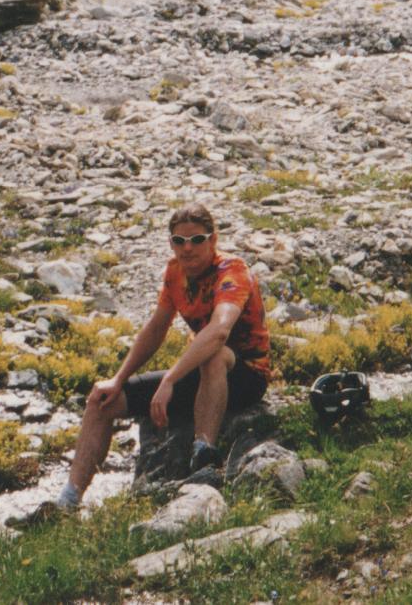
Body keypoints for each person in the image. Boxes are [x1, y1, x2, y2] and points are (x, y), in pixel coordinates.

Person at [47, 203, 270, 513]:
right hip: (202, 375)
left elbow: (219, 331)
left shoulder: (232, 271)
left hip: (247, 374)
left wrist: (169, 379)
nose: (187, 248)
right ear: (171, 243)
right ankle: (69, 500)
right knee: (101, 400)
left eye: (197, 240)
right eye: (179, 241)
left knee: (213, 355)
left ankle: (204, 453)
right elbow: (156, 328)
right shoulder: (175, 272)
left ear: (213, 240)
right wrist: (118, 379)